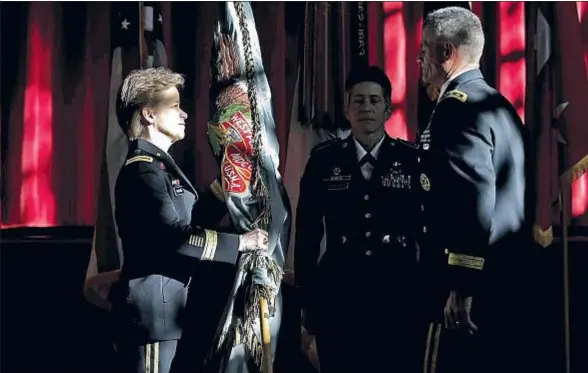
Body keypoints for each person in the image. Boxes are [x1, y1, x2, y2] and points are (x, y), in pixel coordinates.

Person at [109, 67, 268, 373]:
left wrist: (223, 190)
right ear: (148, 115)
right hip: (156, 320)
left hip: (176, 315)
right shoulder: (143, 172)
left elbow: (190, 218)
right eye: (173, 107)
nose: (184, 114)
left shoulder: (160, 168)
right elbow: (173, 238)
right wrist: (240, 244)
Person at [416, 7, 529, 373]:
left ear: (446, 54)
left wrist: (461, 285)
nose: (420, 60)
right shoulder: (500, 105)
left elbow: (472, 201)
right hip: (506, 279)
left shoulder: (456, 110)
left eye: (424, 50)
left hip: (465, 291)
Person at [294, 65, 424, 373]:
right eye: (359, 101)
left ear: (388, 108)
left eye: (374, 101)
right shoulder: (324, 160)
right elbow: (307, 236)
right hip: (340, 296)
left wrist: (428, 298)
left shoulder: (412, 160)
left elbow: (427, 234)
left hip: (398, 296)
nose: (367, 107)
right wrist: (308, 307)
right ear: (347, 108)